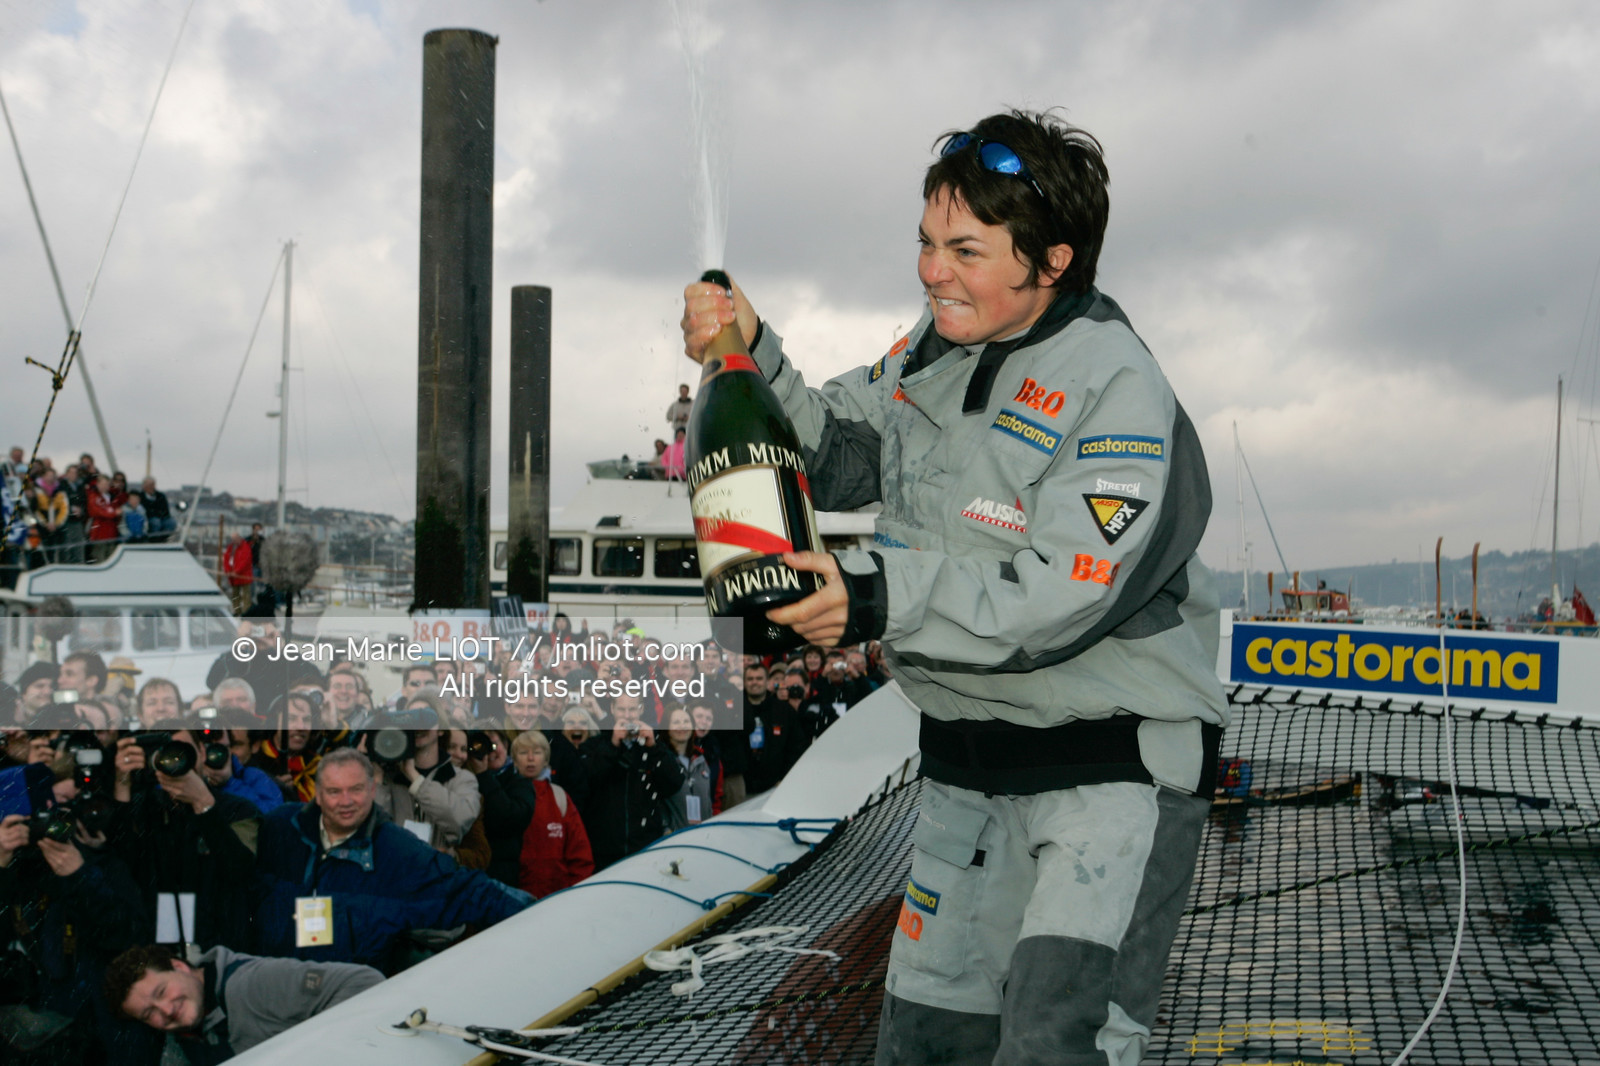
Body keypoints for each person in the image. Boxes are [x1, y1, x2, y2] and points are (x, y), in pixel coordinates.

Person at [680, 109, 1227, 1064]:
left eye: (966, 249)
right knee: (925, 1044)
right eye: (928, 243)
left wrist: (875, 597)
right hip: (965, 772)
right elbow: (839, 451)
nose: (933, 270)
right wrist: (750, 350)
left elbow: (1061, 594)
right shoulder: (928, 352)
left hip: (1109, 780)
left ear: (1051, 261)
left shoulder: (1118, 385)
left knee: (1057, 1044)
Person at [254, 748, 531, 969]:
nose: (346, 800)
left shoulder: (396, 849)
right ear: (317, 795)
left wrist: (543, 916)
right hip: (277, 985)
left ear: (373, 790)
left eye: (356, 789)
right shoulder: (280, 828)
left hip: (346, 999)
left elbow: (464, 890)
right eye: (334, 791)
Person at [106, 943, 382, 1060]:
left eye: (162, 992)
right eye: (148, 1014)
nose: (165, 1010)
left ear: (179, 966)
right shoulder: (183, 1032)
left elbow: (365, 983)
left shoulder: (253, 984)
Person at [580, 694, 684, 870]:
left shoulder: (653, 745)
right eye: (622, 709)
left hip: (645, 845)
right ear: (612, 709)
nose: (627, 716)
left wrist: (654, 748)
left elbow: (674, 784)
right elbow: (586, 781)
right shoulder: (595, 744)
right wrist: (613, 746)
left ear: (641, 710)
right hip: (605, 848)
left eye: (632, 709)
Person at [511, 730, 594, 900]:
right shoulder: (506, 796)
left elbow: (580, 854)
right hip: (516, 898)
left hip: (557, 898)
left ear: (546, 758)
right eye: (524, 752)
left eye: (537, 752)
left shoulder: (559, 797)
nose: (531, 758)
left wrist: (574, 895)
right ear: (514, 759)